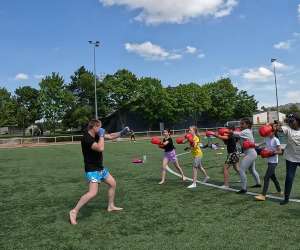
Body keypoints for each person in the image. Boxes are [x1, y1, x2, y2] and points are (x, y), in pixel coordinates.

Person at [69, 119, 130, 225]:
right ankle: (74, 211)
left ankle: (110, 206)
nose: (102, 129)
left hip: (100, 168)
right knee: (93, 193)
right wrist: (101, 135)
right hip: (92, 169)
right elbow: (100, 148)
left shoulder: (97, 134)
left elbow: (110, 136)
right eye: (100, 127)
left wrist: (121, 133)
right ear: (94, 127)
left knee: (113, 183)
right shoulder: (86, 138)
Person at [277, 113, 300, 205]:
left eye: (292, 121)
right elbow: (279, 129)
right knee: (289, 178)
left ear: (298, 121)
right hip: (291, 158)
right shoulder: (288, 129)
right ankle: (286, 198)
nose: (290, 122)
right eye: (289, 121)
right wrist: (282, 122)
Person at [255, 124, 282, 201]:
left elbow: (280, 151)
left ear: (273, 132)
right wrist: (252, 145)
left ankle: (263, 195)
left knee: (266, 177)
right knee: (273, 177)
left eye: (269, 132)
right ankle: (279, 191)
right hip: (269, 161)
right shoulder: (266, 138)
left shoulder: (276, 140)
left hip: (274, 162)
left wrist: (271, 153)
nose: (268, 133)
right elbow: (259, 145)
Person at [234, 118, 261, 194]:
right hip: (251, 153)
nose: (241, 125)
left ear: (247, 125)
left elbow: (236, 134)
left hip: (250, 153)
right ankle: (258, 183)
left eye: (242, 124)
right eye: (240, 124)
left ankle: (244, 188)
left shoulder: (246, 131)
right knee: (252, 170)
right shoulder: (247, 131)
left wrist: (227, 131)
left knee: (242, 170)